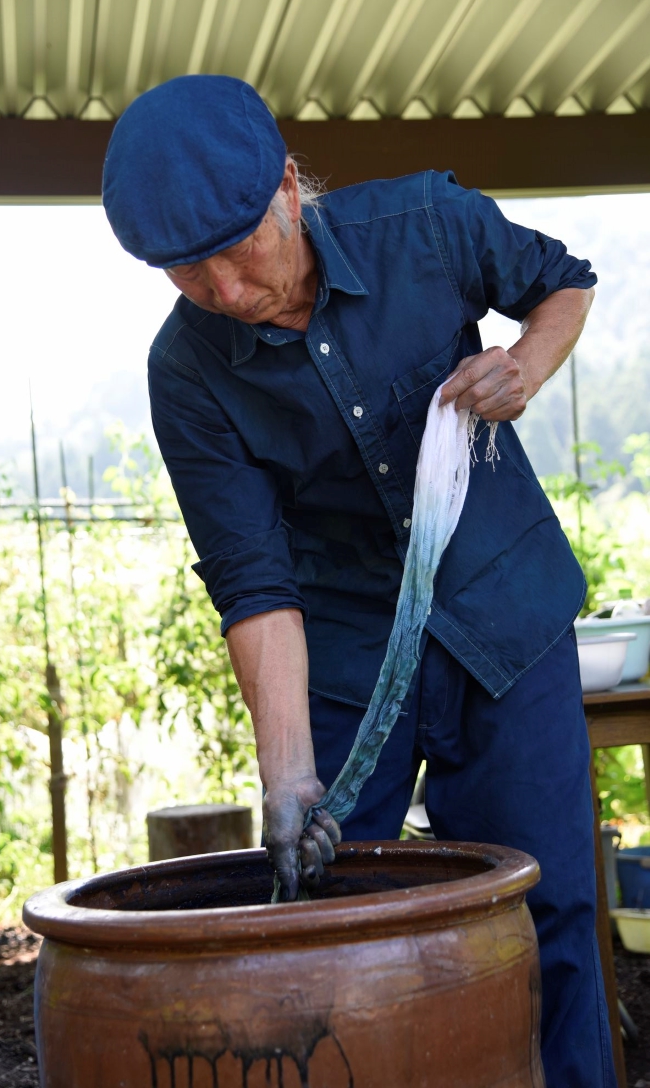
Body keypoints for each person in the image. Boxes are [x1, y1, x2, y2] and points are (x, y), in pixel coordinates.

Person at [102, 75, 614, 1086]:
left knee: (545, 905)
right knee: (325, 914)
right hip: (343, 655)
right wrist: (288, 774)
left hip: (502, 619)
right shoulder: (187, 373)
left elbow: (566, 281)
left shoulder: (425, 226)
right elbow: (253, 580)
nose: (226, 292)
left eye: (238, 250)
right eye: (188, 273)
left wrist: (526, 362)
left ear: (288, 189)